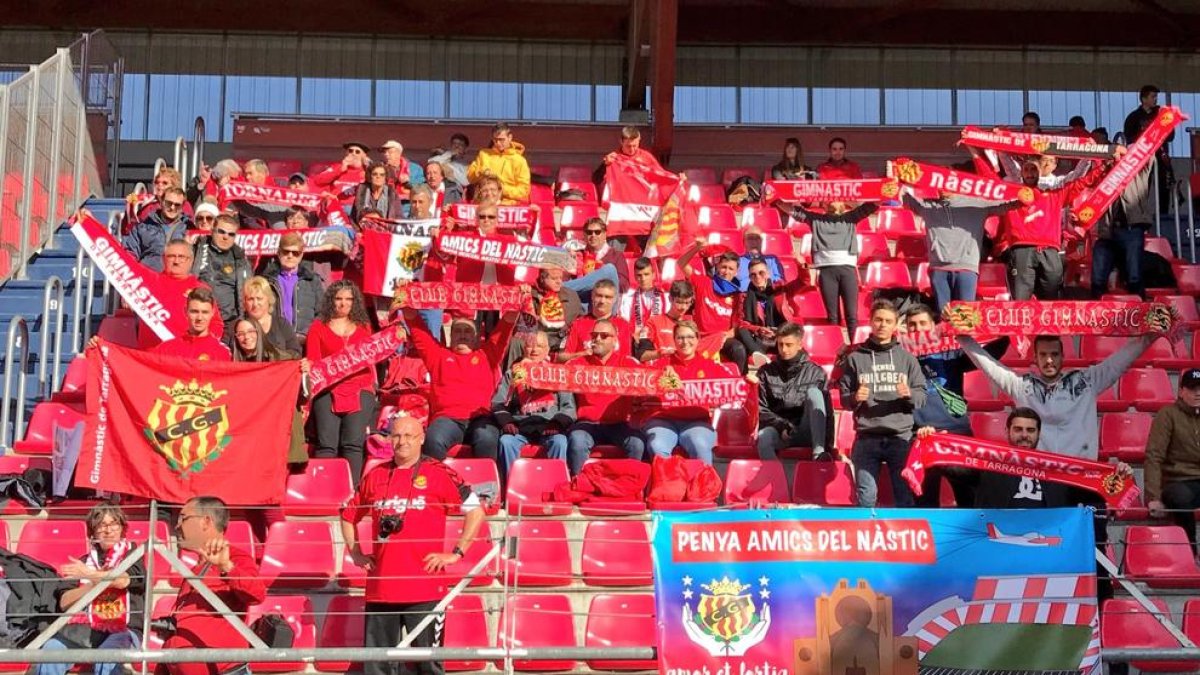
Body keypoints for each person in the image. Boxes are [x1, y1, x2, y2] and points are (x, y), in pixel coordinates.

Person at [341, 415, 486, 675]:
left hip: (426, 590)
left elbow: (475, 511)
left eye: (409, 435)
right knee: (376, 669)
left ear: (421, 439)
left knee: (428, 667)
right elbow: (347, 515)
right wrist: (355, 552)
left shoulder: (439, 473)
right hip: (381, 590)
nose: (402, 441)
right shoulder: (375, 474)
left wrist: (456, 552)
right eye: (396, 435)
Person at [956, 331, 1156, 461]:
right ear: (1034, 358)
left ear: (1063, 356)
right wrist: (960, 336)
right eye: (1043, 355)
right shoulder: (1021, 386)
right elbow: (988, 365)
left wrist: (1152, 334)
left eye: (1054, 354)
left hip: (1081, 475)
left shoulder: (1087, 381)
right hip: (1040, 477)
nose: (1049, 360)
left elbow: (1122, 359)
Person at [904, 305, 1008, 507]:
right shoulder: (899, 358)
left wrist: (1007, 330)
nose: (917, 329)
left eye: (923, 324)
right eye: (912, 325)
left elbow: (989, 355)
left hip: (957, 434)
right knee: (925, 502)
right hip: (922, 436)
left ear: (935, 327)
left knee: (968, 500)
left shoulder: (949, 353)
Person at [161, 496, 266, 675]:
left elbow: (257, 594)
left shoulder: (235, 558)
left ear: (206, 521)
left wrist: (226, 567)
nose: (177, 526)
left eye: (183, 518)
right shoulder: (194, 570)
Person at [836, 300, 926, 508]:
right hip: (867, 438)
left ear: (895, 325)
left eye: (888, 321)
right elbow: (843, 398)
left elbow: (922, 397)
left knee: (905, 499)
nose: (882, 325)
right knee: (866, 500)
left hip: (900, 438)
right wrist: (855, 397)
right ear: (870, 322)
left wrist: (909, 394)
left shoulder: (907, 359)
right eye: (878, 320)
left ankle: (906, 538)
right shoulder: (855, 358)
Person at [37, 503, 144, 675]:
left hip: (123, 629)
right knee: (51, 649)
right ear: (93, 532)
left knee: (107, 656)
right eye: (101, 525)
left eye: (113, 523)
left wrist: (89, 573)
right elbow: (65, 603)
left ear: (122, 528)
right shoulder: (83, 562)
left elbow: (123, 581)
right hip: (85, 630)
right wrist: (91, 583)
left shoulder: (133, 555)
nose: (108, 530)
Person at [399, 307, 516, 460]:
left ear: (476, 337)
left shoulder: (487, 355)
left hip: (480, 419)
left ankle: (485, 484)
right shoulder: (438, 355)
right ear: (450, 336)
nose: (462, 335)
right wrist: (405, 299)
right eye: (457, 331)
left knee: (487, 439)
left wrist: (519, 301)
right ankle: (439, 483)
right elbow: (417, 328)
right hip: (447, 419)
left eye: (467, 331)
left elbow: (504, 329)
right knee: (433, 440)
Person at [900, 186, 1020, 309]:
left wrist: (1025, 196)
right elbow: (900, 196)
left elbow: (1006, 204)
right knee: (944, 315)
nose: (943, 188)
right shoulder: (927, 206)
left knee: (964, 317)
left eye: (947, 183)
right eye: (940, 184)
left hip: (967, 268)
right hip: (938, 269)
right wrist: (895, 178)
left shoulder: (976, 204)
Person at [306, 280, 378, 483]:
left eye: (348, 299)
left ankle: (351, 493)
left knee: (352, 444)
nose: (343, 304)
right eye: (338, 299)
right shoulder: (317, 327)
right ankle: (324, 490)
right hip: (327, 390)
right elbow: (314, 362)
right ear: (331, 301)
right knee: (326, 445)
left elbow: (371, 357)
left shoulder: (364, 326)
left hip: (360, 388)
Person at [640, 320, 738, 465]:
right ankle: (667, 485)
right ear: (674, 340)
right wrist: (659, 377)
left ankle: (703, 486)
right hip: (663, 420)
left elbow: (733, 386)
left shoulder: (710, 365)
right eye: (680, 338)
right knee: (657, 445)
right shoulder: (660, 364)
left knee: (699, 443)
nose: (685, 342)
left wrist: (748, 381)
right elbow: (640, 382)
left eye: (690, 337)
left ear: (698, 339)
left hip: (697, 421)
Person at [782, 200, 879, 336]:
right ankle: (835, 347)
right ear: (824, 205)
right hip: (826, 272)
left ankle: (855, 347)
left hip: (848, 270)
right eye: (829, 201)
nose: (833, 203)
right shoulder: (816, 219)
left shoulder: (850, 217)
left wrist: (885, 191)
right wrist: (775, 200)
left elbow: (871, 206)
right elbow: (795, 212)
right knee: (832, 317)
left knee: (851, 316)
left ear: (843, 204)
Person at [565, 318, 647, 475]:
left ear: (615, 340)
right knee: (577, 441)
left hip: (619, 424)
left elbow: (652, 378)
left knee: (637, 443)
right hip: (587, 423)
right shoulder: (577, 363)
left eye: (604, 336)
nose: (597, 339)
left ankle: (629, 487)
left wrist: (667, 375)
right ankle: (579, 484)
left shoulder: (628, 363)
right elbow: (554, 376)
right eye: (594, 335)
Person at [492, 331, 576, 474]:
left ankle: (556, 486)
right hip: (521, 426)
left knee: (560, 442)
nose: (534, 350)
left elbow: (569, 407)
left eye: (540, 346)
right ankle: (510, 488)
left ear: (547, 350)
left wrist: (556, 423)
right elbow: (498, 402)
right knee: (506, 442)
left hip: (549, 425)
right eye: (530, 346)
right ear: (524, 349)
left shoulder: (557, 373)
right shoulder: (514, 373)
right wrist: (507, 422)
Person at [232, 317, 310, 466]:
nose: (246, 337)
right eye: (240, 334)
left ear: (259, 332)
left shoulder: (284, 360)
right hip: (252, 440)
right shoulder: (233, 368)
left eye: (250, 331)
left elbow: (303, 397)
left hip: (281, 436)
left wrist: (303, 375)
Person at [756, 322, 830, 461]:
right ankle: (776, 479)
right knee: (763, 437)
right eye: (780, 344)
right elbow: (761, 409)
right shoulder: (765, 372)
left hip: (806, 428)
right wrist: (782, 426)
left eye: (789, 345)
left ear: (800, 344)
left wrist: (830, 448)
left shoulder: (816, 373)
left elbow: (827, 413)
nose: (784, 349)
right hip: (778, 429)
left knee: (814, 393)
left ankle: (819, 454)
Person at [971, 407, 1073, 508]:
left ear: (1039, 434)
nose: (1024, 435)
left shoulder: (1056, 472)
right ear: (1007, 431)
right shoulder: (987, 468)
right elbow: (960, 470)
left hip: (1047, 524)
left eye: (1030, 430)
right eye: (1018, 429)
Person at [1144, 369, 1200, 547]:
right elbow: (1154, 456)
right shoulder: (1167, 415)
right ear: (1181, 391)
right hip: (1177, 481)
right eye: (1192, 389)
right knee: (1180, 498)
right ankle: (1190, 551)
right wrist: (1153, 496)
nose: (1198, 393)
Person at [1091, 142, 1154, 299]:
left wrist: (1128, 151)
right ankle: (1097, 315)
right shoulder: (1105, 173)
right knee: (1097, 280)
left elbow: (1148, 152)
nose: (1119, 156)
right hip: (1107, 231)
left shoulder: (1139, 170)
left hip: (1131, 228)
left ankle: (1141, 314)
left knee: (1134, 277)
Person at [135, 239, 225, 348]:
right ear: (163, 259)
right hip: (151, 354)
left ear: (191, 260)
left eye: (182, 257)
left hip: (186, 356)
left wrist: (203, 345)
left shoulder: (201, 288)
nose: (176, 261)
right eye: (171, 256)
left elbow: (216, 324)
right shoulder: (147, 283)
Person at [676, 244, 747, 373]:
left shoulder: (738, 295)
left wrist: (725, 336)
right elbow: (681, 263)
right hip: (700, 339)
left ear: (736, 272)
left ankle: (739, 386)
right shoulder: (704, 283)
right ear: (717, 267)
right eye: (723, 267)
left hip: (722, 340)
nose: (726, 272)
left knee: (738, 349)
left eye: (731, 269)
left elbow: (737, 326)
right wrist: (697, 248)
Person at [738, 257, 808, 365]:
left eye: (761, 273)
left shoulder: (780, 289)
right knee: (742, 330)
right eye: (753, 275)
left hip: (781, 335)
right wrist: (759, 329)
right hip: (761, 338)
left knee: (800, 354)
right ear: (750, 277)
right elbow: (743, 323)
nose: (757, 277)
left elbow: (803, 281)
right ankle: (760, 356)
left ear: (768, 273)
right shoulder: (745, 297)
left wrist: (802, 266)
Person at [262, 231, 325, 345]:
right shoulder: (266, 280)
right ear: (278, 253)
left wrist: (308, 334)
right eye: (286, 252)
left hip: (304, 342)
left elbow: (322, 312)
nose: (290, 256)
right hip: (274, 341)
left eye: (295, 253)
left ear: (301, 255)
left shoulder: (312, 280)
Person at [192, 214, 252, 329]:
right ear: (212, 230)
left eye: (231, 234)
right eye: (221, 231)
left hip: (228, 323)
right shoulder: (197, 250)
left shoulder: (241, 259)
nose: (225, 237)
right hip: (200, 319)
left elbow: (247, 293)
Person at [557, 280, 633, 362]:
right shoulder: (578, 323)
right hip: (585, 372)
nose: (602, 301)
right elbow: (561, 358)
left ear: (615, 300)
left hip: (613, 373)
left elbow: (626, 359)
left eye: (608, 297)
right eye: (599, 296)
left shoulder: (623, 325)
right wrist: (582, 355)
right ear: (592, 296)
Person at [123, 186, 191, 272]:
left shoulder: (189, 228)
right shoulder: (143, 226)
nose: (172, 207)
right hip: (148, 278)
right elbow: (129, 253)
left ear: (182, 207)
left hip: (177, 279)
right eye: (169, 203)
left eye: (177, 205)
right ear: (161, 202)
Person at [154, 287, 231, 361]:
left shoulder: (222, 352)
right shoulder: (166, 349)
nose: (199, 318)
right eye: (194, 311)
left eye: (205, 312)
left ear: (212, 313)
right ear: (185, 311)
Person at [564, 217, 629, 302]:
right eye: (589, 232)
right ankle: (562, 287)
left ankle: (562, 287)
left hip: (606, 302)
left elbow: (624, 286)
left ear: (605, 234)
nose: (593, 235)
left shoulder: (616, 255)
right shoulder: (578, 255)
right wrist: (567, 269)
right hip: (583, 302)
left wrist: (599, 276)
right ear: (584, 235)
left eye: (597, 232)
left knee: (609, 269)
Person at [466, 122, 530, 204]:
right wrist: (481, 172)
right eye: (495, 140)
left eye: (501, 140)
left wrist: (500, 189)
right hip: (484, 203)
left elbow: (524, 191)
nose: (498, 143)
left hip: (508, 206)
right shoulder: (484, 154)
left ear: (510, 137)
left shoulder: (520, 161)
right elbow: (470, 178)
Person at [637, 280, 694, 363]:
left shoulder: (692, 322)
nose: (683, 307)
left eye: (687, 303)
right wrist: (661, 353)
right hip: (662, 371)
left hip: (686, 371)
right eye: (679, 302)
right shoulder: (653, 322)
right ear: (670, 299)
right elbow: (641, 355)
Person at [243, 276, 301, 354]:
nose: (255, 304)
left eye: (259, 298)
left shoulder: (282, 324)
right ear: (245, 302)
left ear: (269, 299)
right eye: (250, 299)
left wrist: (275, 357)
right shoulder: (236, 327)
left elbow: (296, 353)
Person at [530, 267, 582, 354]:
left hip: (561, 339)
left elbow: (570, 321)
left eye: (561, 278)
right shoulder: (531, 293)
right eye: (554, 278)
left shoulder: (571, 295)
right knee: (516, 342)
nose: (559, 282)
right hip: (537, 338)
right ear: (542, 278)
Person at [619, 257, 668, 335]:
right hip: (636, 340)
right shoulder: (628, 298)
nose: (643, 279)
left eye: (646, 274)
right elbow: (625, 321)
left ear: (653, 275)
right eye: (639, 275)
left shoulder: (665, 297)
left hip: (659, 340)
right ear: (634, 276)